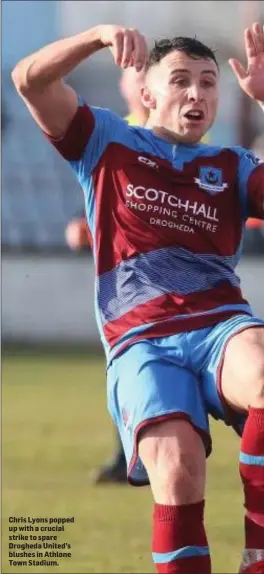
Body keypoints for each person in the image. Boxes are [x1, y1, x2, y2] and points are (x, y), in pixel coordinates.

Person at [12, 22, 264, 574]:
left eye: (207, 83)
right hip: (141, 340)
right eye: (181, 81)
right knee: (177, 473)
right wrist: (98, 35)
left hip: (221, 326)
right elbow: (28, 79)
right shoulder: (107, 143)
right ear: (147, 94)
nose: (197, 94)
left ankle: (258, 557)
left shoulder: (234, 167)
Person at [65, 67, 149, 485]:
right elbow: (104, 193)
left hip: (166, 277)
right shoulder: (112, 131)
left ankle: (145, 455)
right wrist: (83, 224)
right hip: (119, 277)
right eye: (133, 76)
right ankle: (131, 455)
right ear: (124, 85)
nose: (139, 85)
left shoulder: (179, 136)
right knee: (124, 367)